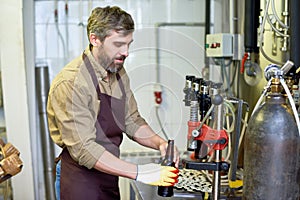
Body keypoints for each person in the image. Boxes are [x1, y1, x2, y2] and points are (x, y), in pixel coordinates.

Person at [47, 6, 180, 200]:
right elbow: (84, 149)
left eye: (128, 44)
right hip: (80, 179)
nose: (125, 52)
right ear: (95, 39)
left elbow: (131, 120)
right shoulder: (72, 82)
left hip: (108, 175)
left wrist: (160, 143)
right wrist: (140, 172)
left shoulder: (117, 71)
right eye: (118, 44)